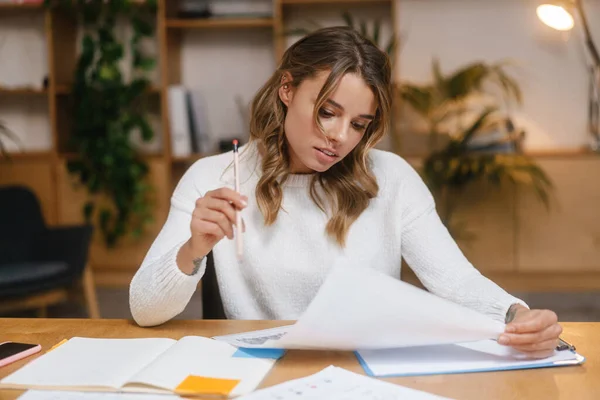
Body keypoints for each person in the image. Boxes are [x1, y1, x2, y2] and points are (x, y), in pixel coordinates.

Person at [130, 26, 562, 358]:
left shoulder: (391, 178)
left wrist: (516, 315)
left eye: (359, 124)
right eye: (327, 112)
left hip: (364, 370)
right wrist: (192, 250)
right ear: (287, 89)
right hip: (257, 375)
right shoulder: (213, 177)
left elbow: (456, 280)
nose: (339, 137)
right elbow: (144, 309)